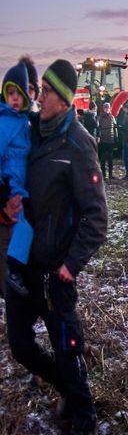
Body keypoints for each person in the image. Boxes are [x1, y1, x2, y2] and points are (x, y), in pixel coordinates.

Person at [7, 59, 107, 435]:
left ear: (63, 101)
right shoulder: (29, 131)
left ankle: (85, 420)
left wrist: (72, 264)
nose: (39, 96)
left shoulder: (78, 144)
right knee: (20, 345)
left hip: (54, 272)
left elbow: (96, 216)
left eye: (46, 92)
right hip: (21, 262)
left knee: (68, 348)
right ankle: (64, 388)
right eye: (40, 89)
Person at [2, 59, 35, 297]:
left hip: (22, 183)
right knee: (23, 227)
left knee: (25, 226)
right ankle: (13, 271)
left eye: (19, 93)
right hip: (12, 183)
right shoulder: (5, 122)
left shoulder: (25, 121)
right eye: (9, 92)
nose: (14, 97)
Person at [96, 102, 117, 180]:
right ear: (103, 109)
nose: (107, 109)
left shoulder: (112, 117)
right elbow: (98, 128)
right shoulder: (100, 117)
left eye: (108, 108)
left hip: (111, 139)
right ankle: (103, 175)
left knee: (110, 158)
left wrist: (116, 137)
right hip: (103, 139)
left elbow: (115, 128)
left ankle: (111, 174)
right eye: (105, 108)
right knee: (103, 158)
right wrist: (99, 136)